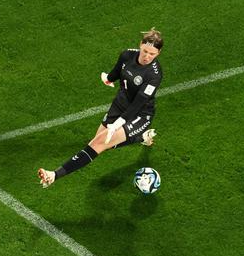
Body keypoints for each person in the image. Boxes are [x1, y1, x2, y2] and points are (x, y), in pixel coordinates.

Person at [37, 28, 164, 188]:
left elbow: (139, 102)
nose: (147, 57)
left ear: (158, 53)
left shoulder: (154, 75)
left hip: (139, 114)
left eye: (152, 54)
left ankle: (54, 175)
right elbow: (116, 73)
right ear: (140, 45)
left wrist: (117, 124)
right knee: (98, 142)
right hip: (119, 105)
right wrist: (107, 78)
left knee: (99, 143)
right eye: (145, 51)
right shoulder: (127, 55)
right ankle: (140, 137)